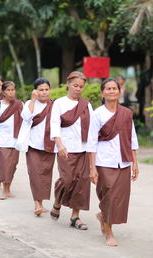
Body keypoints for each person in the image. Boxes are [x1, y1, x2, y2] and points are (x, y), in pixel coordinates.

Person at [87, 78, 139, 246]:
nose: (111, 91)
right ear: (103, 93)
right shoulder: (97, 114)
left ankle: (104, 217)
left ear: (119, 91)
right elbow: (91, 141)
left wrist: (135, 163)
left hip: (123, 161)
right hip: (103, 161)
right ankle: (109, 232)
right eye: (108, 88)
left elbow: (132, 138)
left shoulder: (126, 113)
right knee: (108, 196)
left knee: (119, 198)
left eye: (114, 88)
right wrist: (92, 167)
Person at [49, 71, 93, 230]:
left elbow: (93, 127)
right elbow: (54, 125)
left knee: (82, 182)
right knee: (67, 179)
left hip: (84, 148)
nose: (78, 89)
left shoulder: (86, 105)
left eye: (81, 86)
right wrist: (59, 144)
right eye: (75, 85)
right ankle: (58, 201)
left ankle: (75, 217)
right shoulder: (59, 103)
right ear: (68, 84)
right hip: (65, 148)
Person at [16, 78, 56, 215]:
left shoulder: (55, 105)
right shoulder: (29, 103)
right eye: (41, 90)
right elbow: (26, 117)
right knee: (34, 173)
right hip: (33, 145)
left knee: (46, 174)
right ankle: (37, 204)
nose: (44, 93)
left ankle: (42, 202)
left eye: (46, 89)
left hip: (50, 145)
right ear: (35, 91)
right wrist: (32, 100)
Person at [0, 81, 23, 200]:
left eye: (13, 90)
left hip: (16, 140)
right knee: (4, 166)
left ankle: (9, 189)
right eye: (8, 90)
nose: (11, 92)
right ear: (3, 92)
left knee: (13, 166)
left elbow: (25, 121)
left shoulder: (19, 104)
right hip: (3, 140)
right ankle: (4, 190)